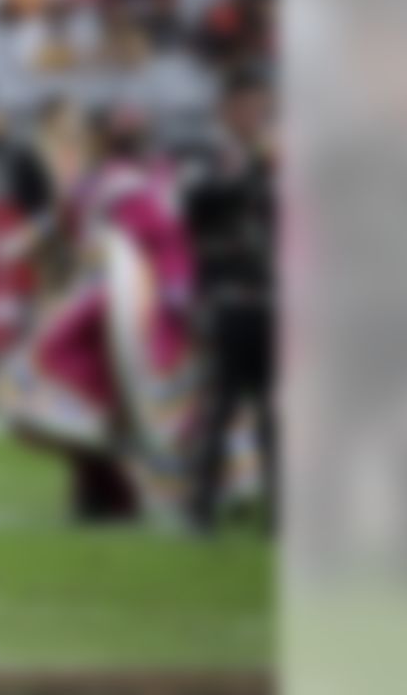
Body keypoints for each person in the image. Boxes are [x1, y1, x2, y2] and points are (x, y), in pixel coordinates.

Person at [0, 106, 195, 523]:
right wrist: (25, 243)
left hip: (118, 303)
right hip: (101, 300)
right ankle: (101, 491)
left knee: (89, 394)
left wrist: (176, 286)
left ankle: (113, 492)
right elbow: (61, 222)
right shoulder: (101, 183)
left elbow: (164, 240)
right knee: (94, 403)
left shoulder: (131, 185)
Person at [184, 71, 278, 534]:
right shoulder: (208, 155)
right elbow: (199, 202)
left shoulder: (272, 158)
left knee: (272, 408)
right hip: (226, 296)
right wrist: (253, 170)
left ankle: (278, 512)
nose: (256, 117)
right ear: (227, 108)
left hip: (269, 296)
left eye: (261, 107)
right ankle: (201, 505)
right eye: (248, 106)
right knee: (220, 405)